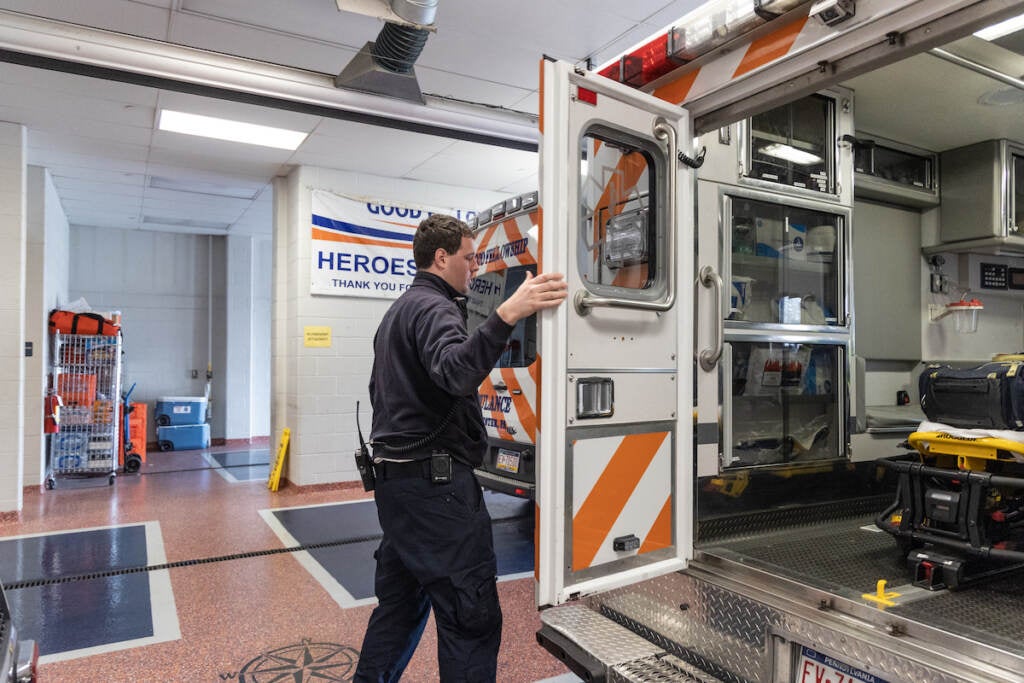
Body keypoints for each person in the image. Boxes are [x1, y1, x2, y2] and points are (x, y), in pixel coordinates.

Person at [354, 213, 568, 682]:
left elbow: (380, 394)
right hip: (438, 497)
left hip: (399, 493)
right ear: (441, 257)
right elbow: (454, 371)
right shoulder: (435, 309)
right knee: (471, 621)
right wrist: (509, 313)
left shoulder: (397, 314)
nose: (474, 269)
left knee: (398, 613)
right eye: (469, 259)